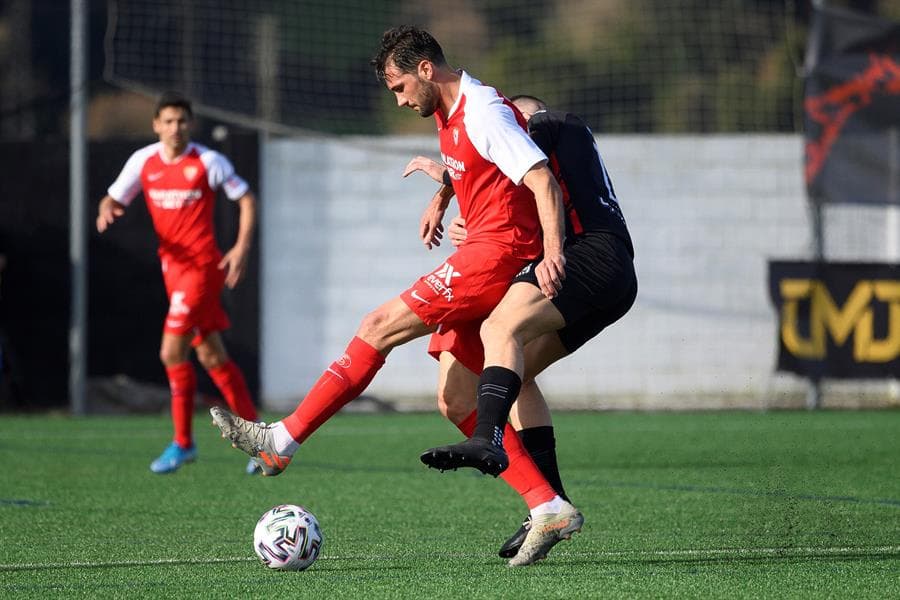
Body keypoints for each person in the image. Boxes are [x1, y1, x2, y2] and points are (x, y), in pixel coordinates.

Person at [209, 25, 580, 566]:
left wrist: (551, 252)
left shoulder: (483, 109)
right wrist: (443, 193)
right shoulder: (448, 113)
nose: (400, 99)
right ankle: (547, 505)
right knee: (456, 398)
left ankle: (281, 440)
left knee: (377, 325)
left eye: (400, 86)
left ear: (426, 69)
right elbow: (477, 164)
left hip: (496, 255)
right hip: (486, 248)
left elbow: (540, 177)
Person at [404, 94, 637, 560]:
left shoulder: (548, 123)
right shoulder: (565, 143)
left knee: (498, 329)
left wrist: (447, 183)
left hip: (589, 256)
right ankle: (550, 507)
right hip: (611, 274)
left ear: (525, 116)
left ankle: (485, 437)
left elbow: (500, 156)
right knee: (515, 372)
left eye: (514, 120)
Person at [96, 91, 261, 475]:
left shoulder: (207, 161)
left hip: (202, 269)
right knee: (212, 356)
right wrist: (108, 206)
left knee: (171, 352)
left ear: (191, 124)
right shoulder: (144, 161)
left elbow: (247, 199)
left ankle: (183, 443)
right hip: (172, 270)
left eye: (182, 121)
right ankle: (260, 439)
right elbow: (113, 197)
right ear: (156, 125)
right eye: (168, 121)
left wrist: (240, 248)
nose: (175, 127)